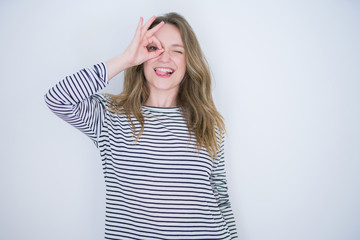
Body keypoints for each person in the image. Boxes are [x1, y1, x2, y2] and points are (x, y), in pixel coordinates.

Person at [45, 12, 238, 240]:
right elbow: (58, 99)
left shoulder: (208, 122)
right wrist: (126, 58)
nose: (165, 58)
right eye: (154, 49)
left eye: (177, 50)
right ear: (141, 57)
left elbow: (220, 194)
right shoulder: (109, 115)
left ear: (189, 61)